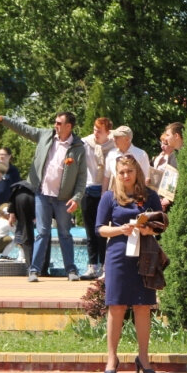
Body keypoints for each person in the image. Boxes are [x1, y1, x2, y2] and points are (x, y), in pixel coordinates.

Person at [0, 111, 86, 282]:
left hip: (64, 198)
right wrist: (4, 120)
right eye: (55, 122)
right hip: (42, 194)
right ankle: (34, 270)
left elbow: (81, 178)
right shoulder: (45, 136)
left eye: (58, 123)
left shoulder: (78, 148)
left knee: (65, 233)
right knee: (42, 232)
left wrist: (77, 198)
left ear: (68, 126)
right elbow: (23, 129)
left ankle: (71, 271)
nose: (55, 125)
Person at [97, 154, 161, 373]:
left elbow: (160, 225)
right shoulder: (109, 197)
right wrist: (119, 229)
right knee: (116, 305)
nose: (125, 176)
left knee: (143, 306)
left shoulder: (150, 196)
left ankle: (143, 357)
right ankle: (112, 358)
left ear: (137, 173)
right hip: (118, 255)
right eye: (122, 172)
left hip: (144, 254)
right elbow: (100, 228)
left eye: (129, 172)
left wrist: (148, 230)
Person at [81, 117, 115, 280]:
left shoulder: (114, 146)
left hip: (106, 191)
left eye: (99, 131)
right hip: (89, 188)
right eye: (95, 129)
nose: (95, 133)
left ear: (107, 133)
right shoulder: (86, 143)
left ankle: (104, 266)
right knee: (90, 230)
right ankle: (92, 265)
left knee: (102, 230)